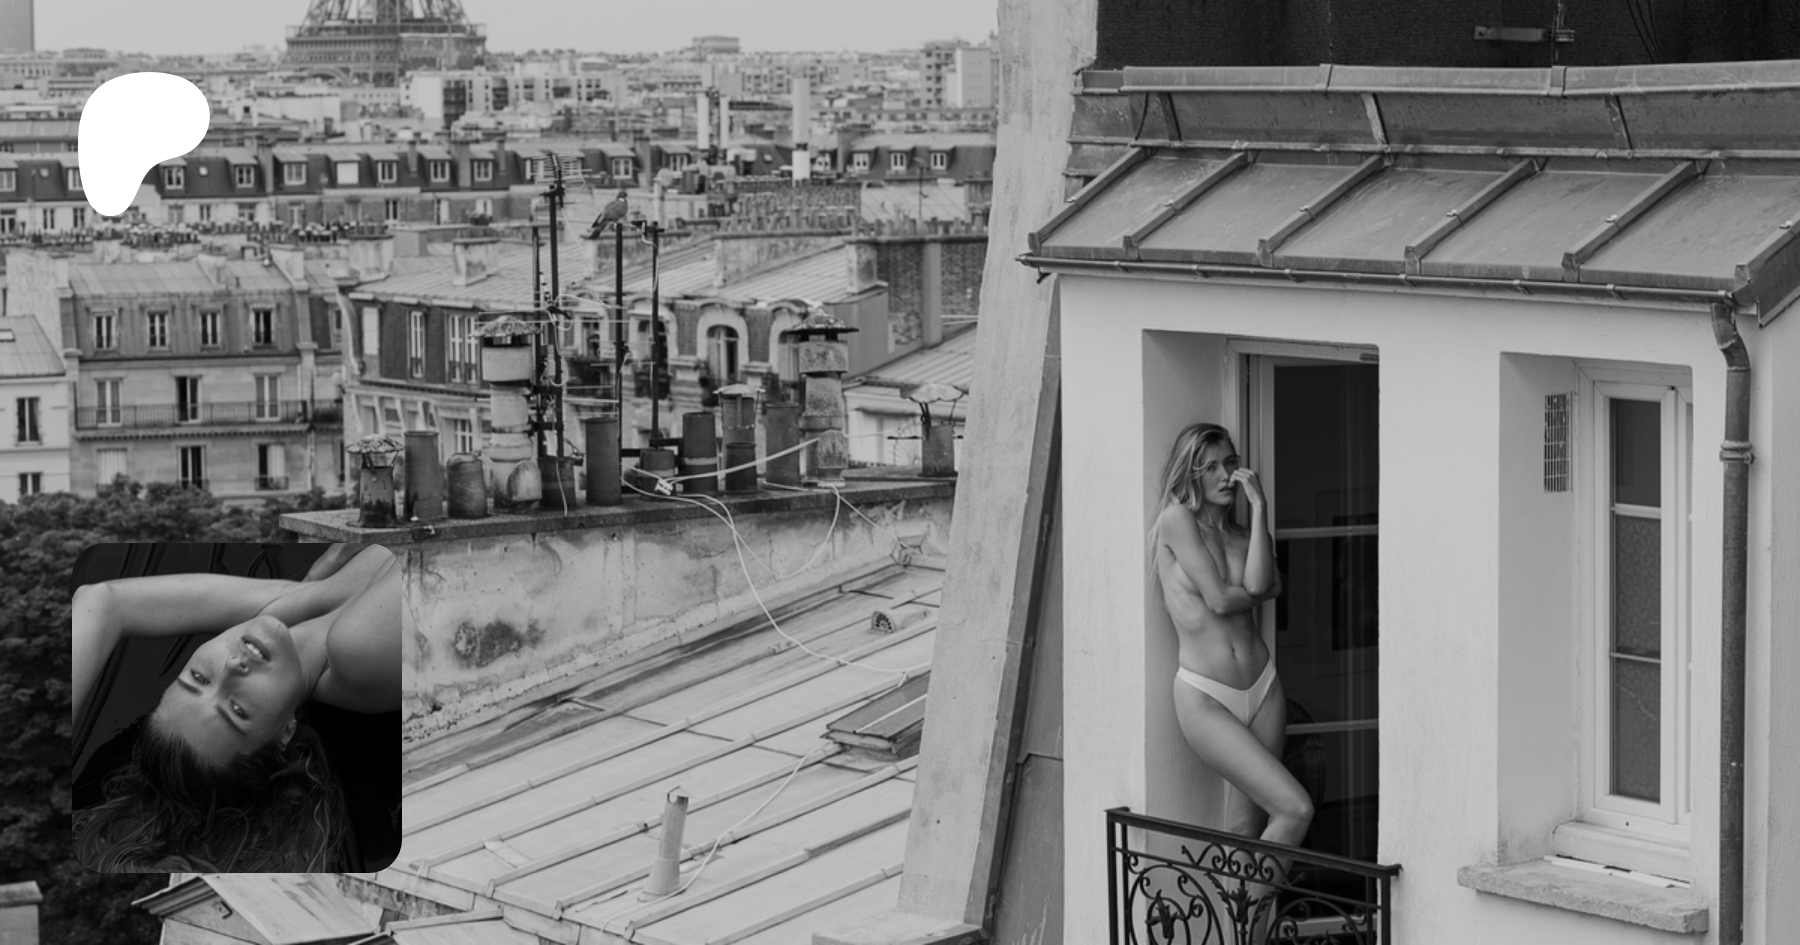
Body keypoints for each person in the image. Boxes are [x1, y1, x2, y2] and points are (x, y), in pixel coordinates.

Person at [71, 543, 401, 872]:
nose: (230, 669)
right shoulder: (356, 653)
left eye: (198, 678)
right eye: (237, 711)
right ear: (285, 732)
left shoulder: (282, 607)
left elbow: (102, 601)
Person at [1151, 423, 1313, 853]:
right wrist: (1258, 590)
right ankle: (1257, 903)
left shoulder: (1245, 535)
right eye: (1210, 468)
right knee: (1295, 809)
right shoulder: (1177, 521)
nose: (1225, 476)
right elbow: (1222, 600)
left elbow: (1266, 584)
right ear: (1191, 473)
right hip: (1206, 694)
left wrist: (1259, 508)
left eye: (1230, 463)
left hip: (1264, 688)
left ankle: (1243, 904)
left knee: (1245, 829)